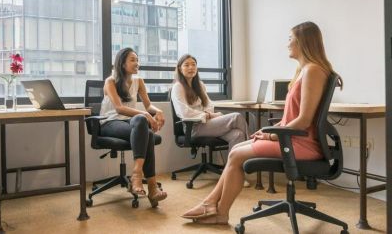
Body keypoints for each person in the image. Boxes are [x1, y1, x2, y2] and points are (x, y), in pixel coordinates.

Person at [181, 21, 343, 224]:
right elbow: (292, 119)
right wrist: (271, 132)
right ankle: (212, 203)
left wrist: (272, 134)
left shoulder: (312, 70)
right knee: (236, 149)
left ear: (303, 42)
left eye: (290, 39)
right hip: (293, 139)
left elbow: (304, 121)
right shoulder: (304, 70)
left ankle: (218, 210)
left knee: (237, 153)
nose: (287, 44)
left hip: (302, 144)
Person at [100, 47, 167, 207]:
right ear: (122, 63)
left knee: (141, 123)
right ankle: (149, 185)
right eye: (132, 60)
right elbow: (119, 108)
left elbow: (148, 105)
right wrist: (145, 115)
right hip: (109, 122)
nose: (137, 63)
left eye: (137, 60)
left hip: (129, 123)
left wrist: (159, 111)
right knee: (145, 127)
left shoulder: (139, 81)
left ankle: (138, 177)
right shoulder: (110, 81)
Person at [171, 54, 249, 153]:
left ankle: (233, 167)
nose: (191, 67)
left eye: (193, 64)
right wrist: (208, 115)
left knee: (238, 135)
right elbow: (184, 112)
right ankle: (253, 149)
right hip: (193, 127)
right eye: (186, 65)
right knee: (236, 117)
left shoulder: (200, 85)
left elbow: (209, 105)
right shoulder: (178, 87)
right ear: (180, 68)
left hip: (207, 124)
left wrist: (209, 114)